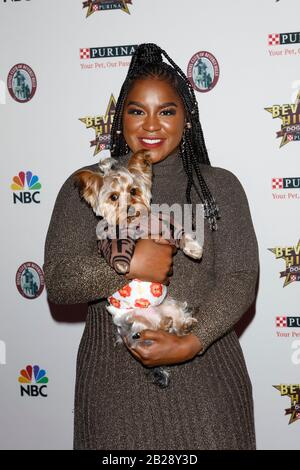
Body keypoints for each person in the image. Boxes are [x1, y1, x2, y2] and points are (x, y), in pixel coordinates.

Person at [43, 43, 259, 450]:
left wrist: (190, 343)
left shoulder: (220, 187)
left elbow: (240, 278)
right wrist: (126, 265)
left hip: (210, 387)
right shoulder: (88, 183)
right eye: (137, 110)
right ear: (120, 117)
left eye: (167, 111)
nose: (151, 125)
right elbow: (59, 281)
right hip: (113, 394)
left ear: (187, 119)